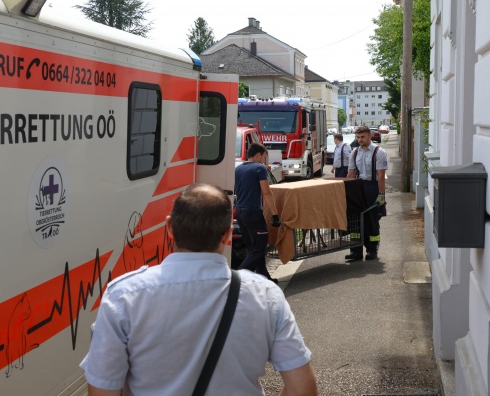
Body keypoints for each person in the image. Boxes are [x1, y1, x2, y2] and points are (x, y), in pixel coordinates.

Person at [80, 183, 317, 396]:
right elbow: (303, 388)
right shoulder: (266, 296)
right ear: (226, 235)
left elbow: (103, 389)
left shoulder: (123, 296)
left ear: (170, 227)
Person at [234, 143, 281, 282]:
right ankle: (237, 278)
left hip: (240, 212)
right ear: (258, 154)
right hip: (253, 212)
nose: (264, 161)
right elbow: (266, 192)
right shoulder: (260, 168)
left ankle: (264, 278)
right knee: (259, 248)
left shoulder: (238, 169)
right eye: (264, 157)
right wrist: (275, 214)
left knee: (253, 248)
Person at [346, 126, 388, 261]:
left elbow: (381, 176)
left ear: (370, 136)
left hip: (372, 187)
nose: (360, 140)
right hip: (358, 188)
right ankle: (356, 251)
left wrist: (381, 195)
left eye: (362, 137)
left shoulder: (379, 152)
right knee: (355, 219)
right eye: (358, 137)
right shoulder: (354, 152)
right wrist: (346, 191)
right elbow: (351, 173)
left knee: (372, 220)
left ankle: (372, 249)